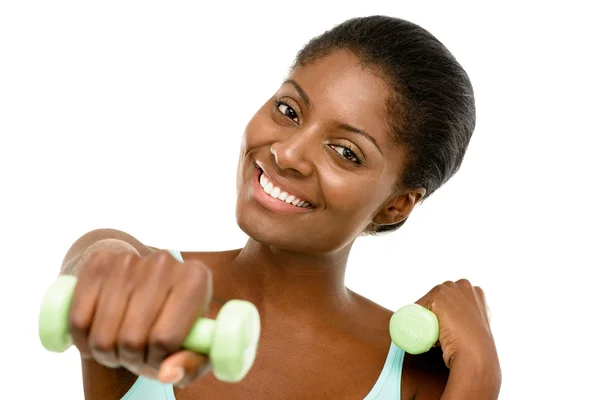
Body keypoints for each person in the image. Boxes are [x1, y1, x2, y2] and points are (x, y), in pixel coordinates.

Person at [59, 15, 501, 399]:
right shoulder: (143, 284)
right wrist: (103, 264)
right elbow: (97, 261)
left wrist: (479, 379)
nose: (287, 153)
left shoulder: (416, 378)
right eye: (289, 110)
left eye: (346, 152)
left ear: (396, 206)